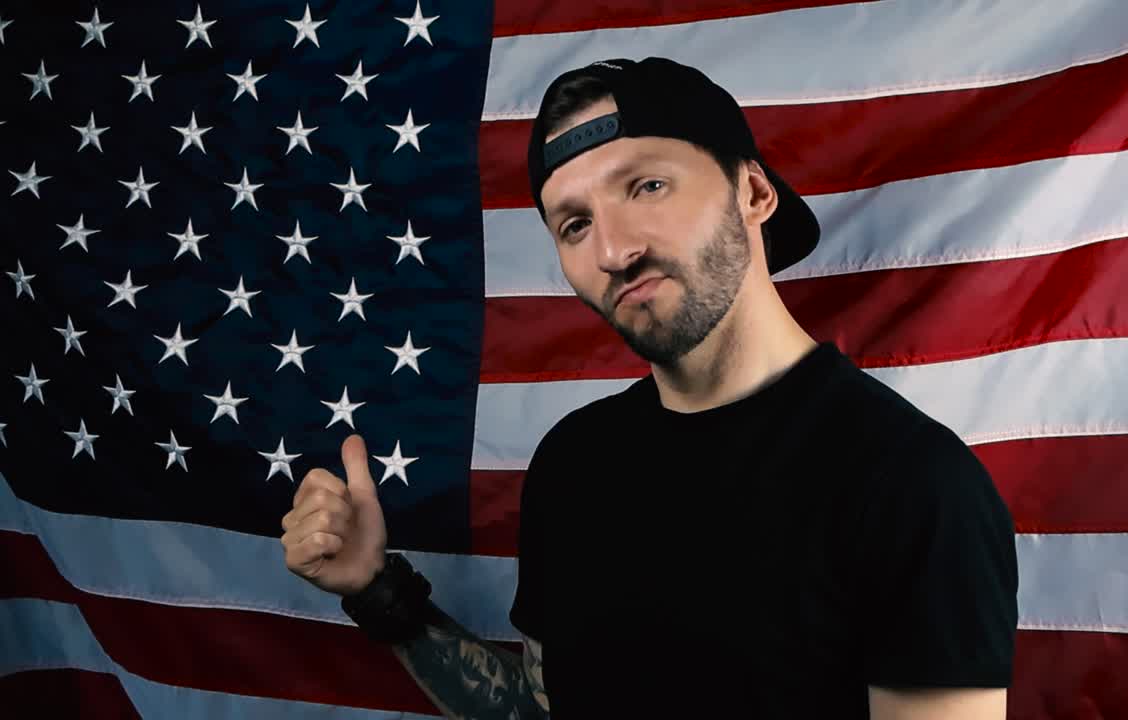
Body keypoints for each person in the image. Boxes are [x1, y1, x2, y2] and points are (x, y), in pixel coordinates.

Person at [281, 56, 1019, 719]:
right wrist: (377, 592)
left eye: (648, 185)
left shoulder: (912, 484)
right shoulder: (575, 462)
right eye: (574, 225)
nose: (615, 249)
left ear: (754, 192)